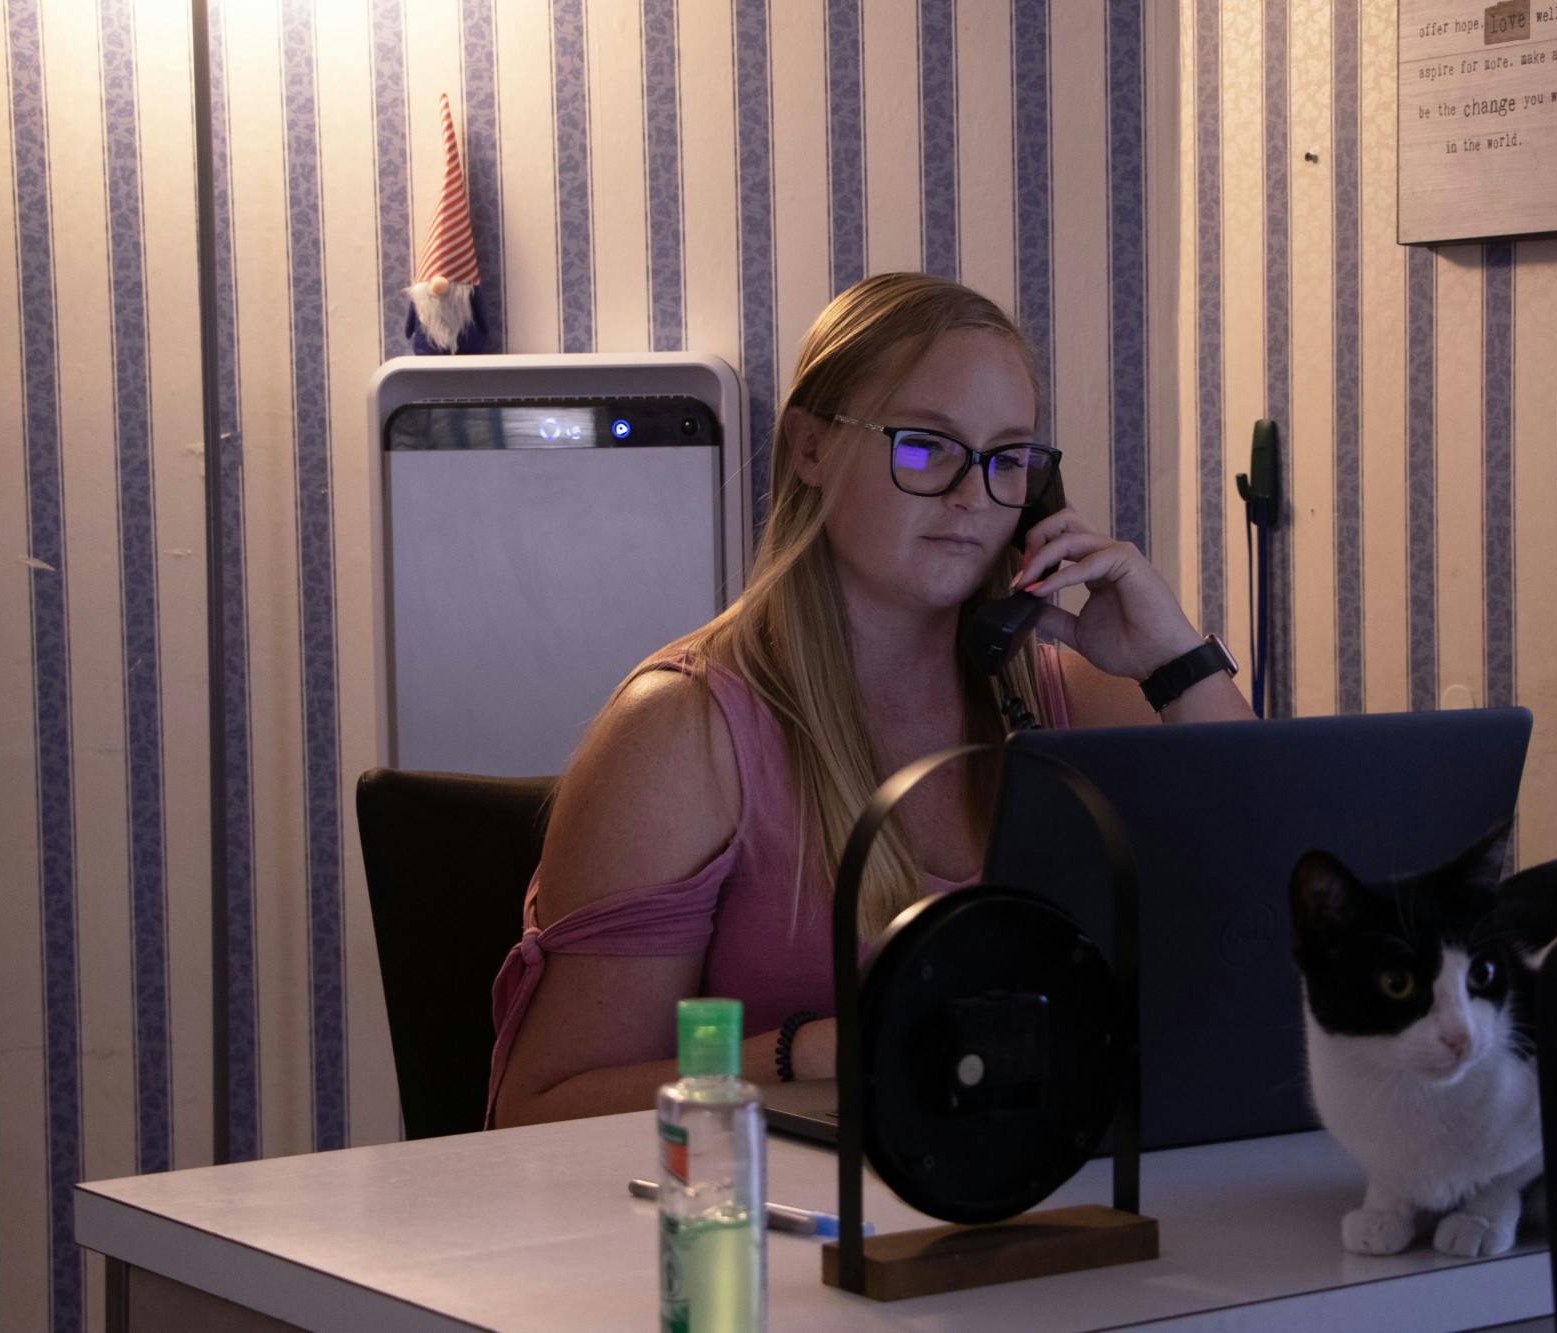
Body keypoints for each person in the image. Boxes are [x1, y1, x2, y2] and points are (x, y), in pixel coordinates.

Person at [487, 273, 1252, 1128]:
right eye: (925, 447)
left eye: (1007, 460)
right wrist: (809, 1052)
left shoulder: (1062, 696)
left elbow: (1272, 891)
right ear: (811, 448)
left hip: (1033, 1187)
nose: (973, 495)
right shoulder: (684, 733)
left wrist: (1173, 659)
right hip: (780, 1206)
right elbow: (537, 1114)